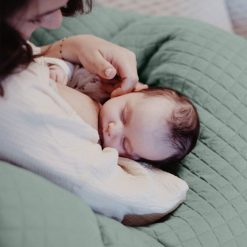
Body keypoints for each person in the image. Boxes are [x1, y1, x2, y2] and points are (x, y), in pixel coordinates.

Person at [0, 0, 189, 226]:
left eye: (127, 145)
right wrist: (61, 65)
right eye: (39, 14)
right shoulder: (19, 100)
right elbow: (148, 197)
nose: (57, 21)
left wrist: (67, 48)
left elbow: (32, 60)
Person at [40, 55, 200, 166]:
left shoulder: (103, 154)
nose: (112, 129)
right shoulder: (99, 83)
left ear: (135, 158)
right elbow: (72, 64)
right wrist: (60, 70)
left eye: (125, 143)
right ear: (133, 90)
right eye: (123, 115)